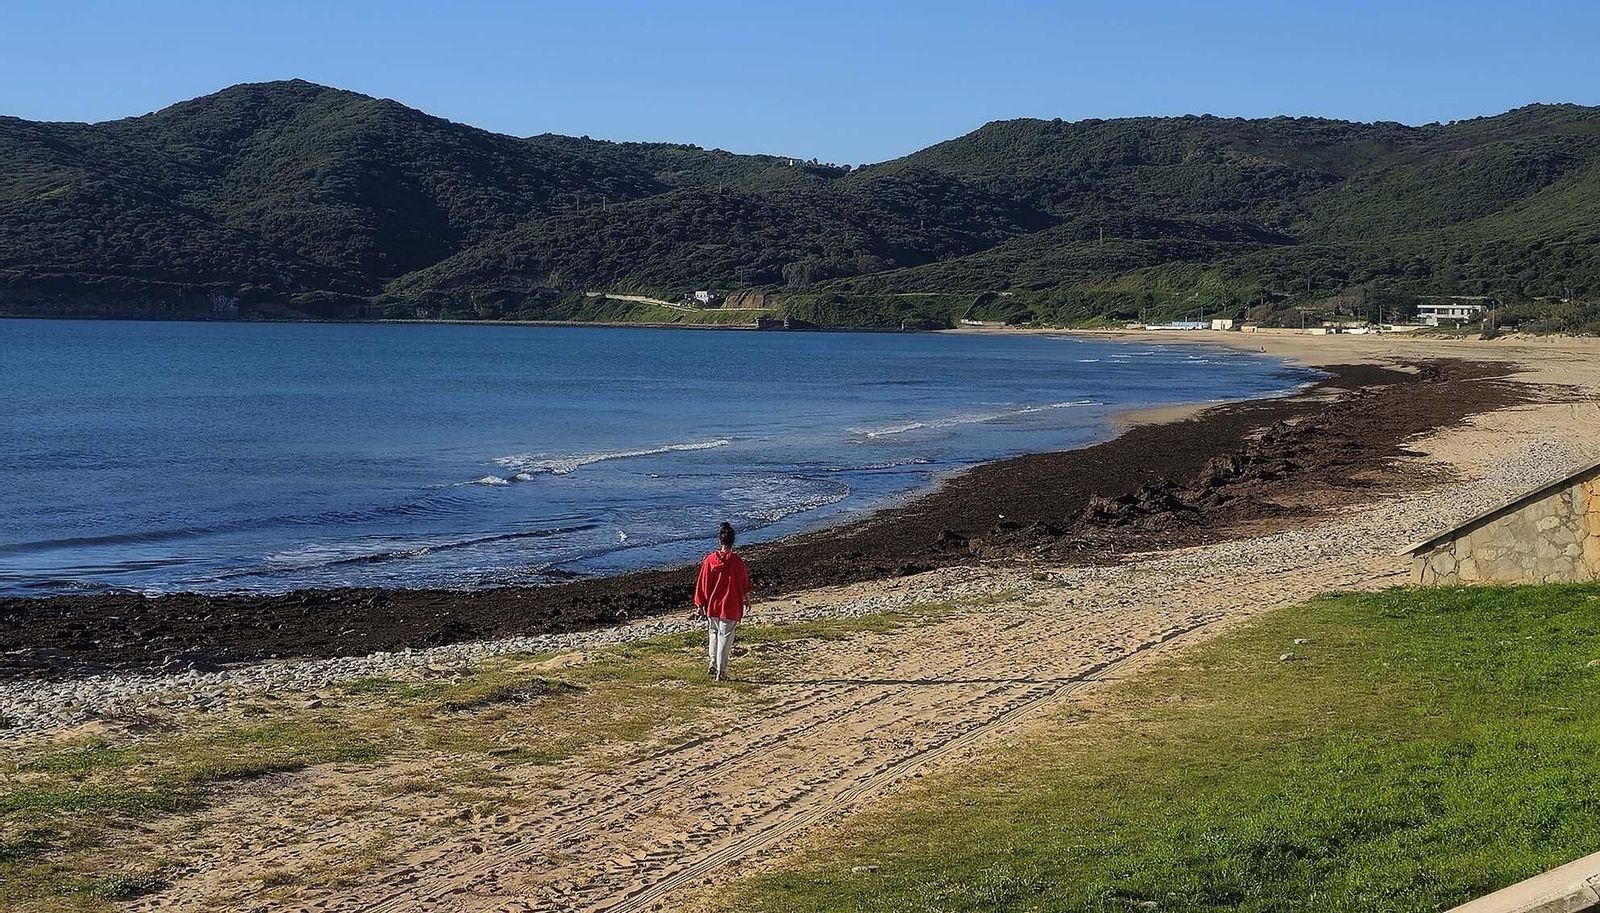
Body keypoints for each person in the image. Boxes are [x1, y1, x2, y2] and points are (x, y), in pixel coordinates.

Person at [693, 522, 751, 681]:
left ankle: (713, 662)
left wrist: (700, 603)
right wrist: (747, 600)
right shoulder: (737, 561)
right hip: (730, 604)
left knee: (713, 633)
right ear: (733, 541)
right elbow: (744, 583)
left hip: (713, 604)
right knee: (725, 636)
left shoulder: (710, 560)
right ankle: (721, 671)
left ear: (720, 541)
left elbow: (703, 583)